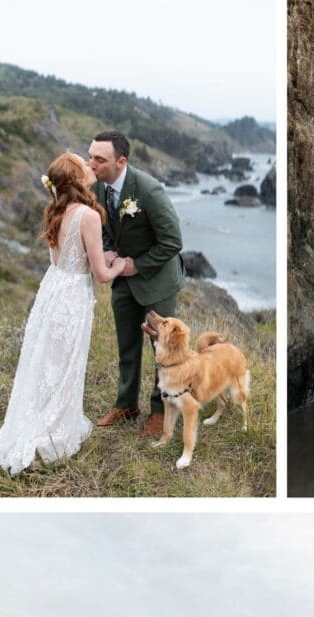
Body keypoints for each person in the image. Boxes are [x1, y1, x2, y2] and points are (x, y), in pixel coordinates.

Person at [0, 153, 126, 476]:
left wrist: (99, 255)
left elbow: (63, 257)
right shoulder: (89, 215)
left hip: (52, 290)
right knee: (64, 364)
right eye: (84, 164)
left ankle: (35, 418)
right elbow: (101, 276)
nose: (90, 166)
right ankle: (50, 432)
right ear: (78, 179)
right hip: (72, 297)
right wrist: (119, 263)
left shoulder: (57, 210)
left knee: (46, 362)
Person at [88, 130, 184, 438]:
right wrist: (107, 249)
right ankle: (126, 405)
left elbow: (173, 242)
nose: (91, 164)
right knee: (126, 345)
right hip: (123, 283)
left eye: (99, 160)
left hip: (156, 282)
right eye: (90, 157)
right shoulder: (101, 188)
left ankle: (160, 411)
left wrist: (137, 265)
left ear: (121, 161)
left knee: (163, 351)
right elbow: (104, 226)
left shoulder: (148, 190)